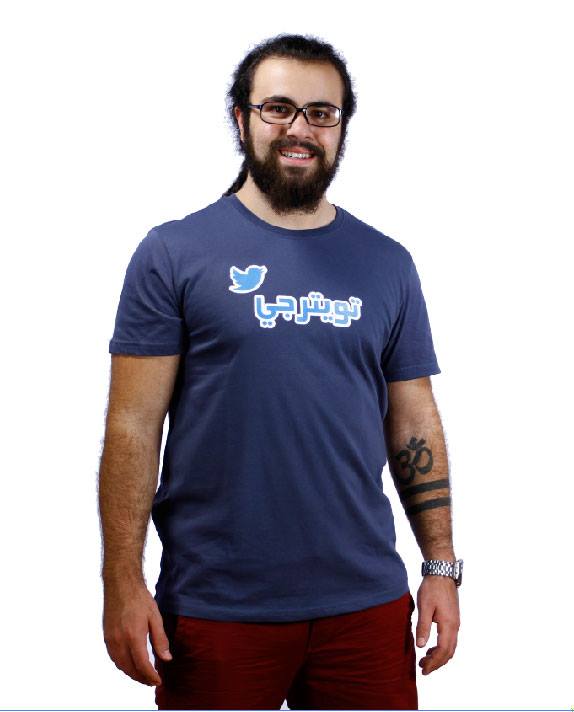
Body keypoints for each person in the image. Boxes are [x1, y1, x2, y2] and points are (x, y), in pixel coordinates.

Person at [99, 32, 462, 711]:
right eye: (278, 108)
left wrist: (440, 565)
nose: (300, 129)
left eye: (321, 113)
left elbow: (414, 418)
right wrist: (121, 580)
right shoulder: (173, 253)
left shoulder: (387, 263)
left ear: (341, 128)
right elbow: (133, 427)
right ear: (242, 119)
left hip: (366, 604)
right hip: (217, 605)